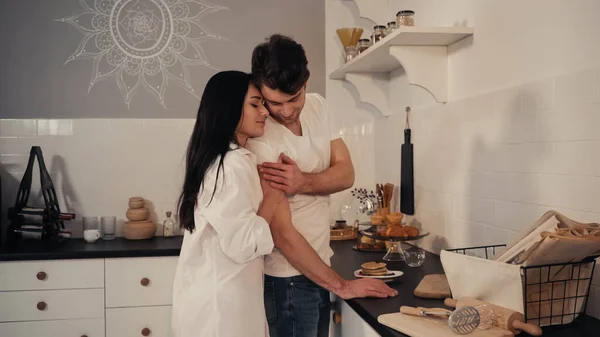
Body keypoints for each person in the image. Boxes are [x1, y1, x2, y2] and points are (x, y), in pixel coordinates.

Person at [247, 34, 398, 337]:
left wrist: (302, 181)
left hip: (320, 266)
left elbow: (347, 173)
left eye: (294, 99)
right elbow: (282, 233)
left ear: (306, 83)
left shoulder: (318, 106)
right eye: (274, 102)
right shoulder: (259, 135)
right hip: (286, 278)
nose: (286, 111)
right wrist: (342, 286)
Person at [171, 70, 288, 337]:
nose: (265, 112)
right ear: (229, 108)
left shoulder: (222, 159)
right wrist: (272, 196)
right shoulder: (232, 163)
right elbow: (243, 244)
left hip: (216, 300)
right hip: (222, 309)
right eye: (255, 104)